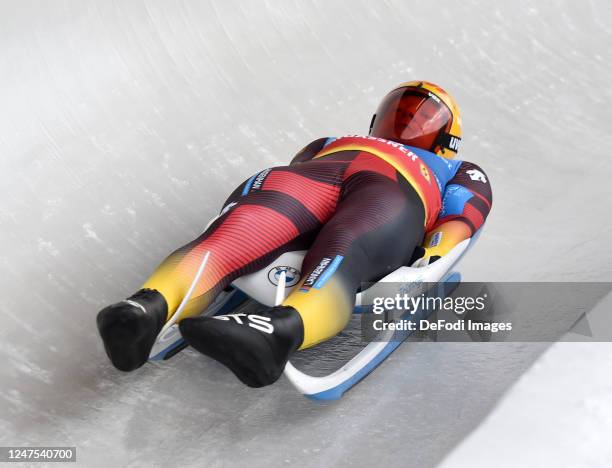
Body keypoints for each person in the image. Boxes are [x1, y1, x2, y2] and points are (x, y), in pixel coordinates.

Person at [97, 81, 493, 387]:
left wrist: (431, 257)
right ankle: (149, 310)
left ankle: (172, 309)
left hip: (390, 190)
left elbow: (466, 213)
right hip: (335, 180)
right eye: (399, 113)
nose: (406, 125)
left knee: (336, 241)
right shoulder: (329, 141)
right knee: (246, 234)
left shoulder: (458, 170)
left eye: (422, 122)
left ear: (446, 142)